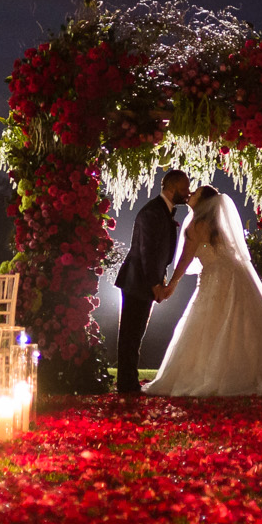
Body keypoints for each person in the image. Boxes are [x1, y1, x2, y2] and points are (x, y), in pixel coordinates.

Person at [144, 184, 262, 399]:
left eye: (195, 193)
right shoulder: (216, 226)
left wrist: (171, 285)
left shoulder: (196, 226)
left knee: (214, 322)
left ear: (203, 202)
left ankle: (217, 373)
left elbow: (185, 260)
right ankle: (245, 369)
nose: (191, 194)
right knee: (238, 323)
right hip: (234, 276)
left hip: (216, 279)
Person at [112, 169, 190, 394]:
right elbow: (147, 252)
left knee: (135, 335)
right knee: (130, 335)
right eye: (184, 188)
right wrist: (156, 284)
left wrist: (160, 279)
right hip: (137, 282)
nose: (187, 193)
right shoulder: (152, 212)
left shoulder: (164, 212)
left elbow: (158, 254)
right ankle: (127, 385)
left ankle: (129, 382)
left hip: (143, 281)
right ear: (172, 187)